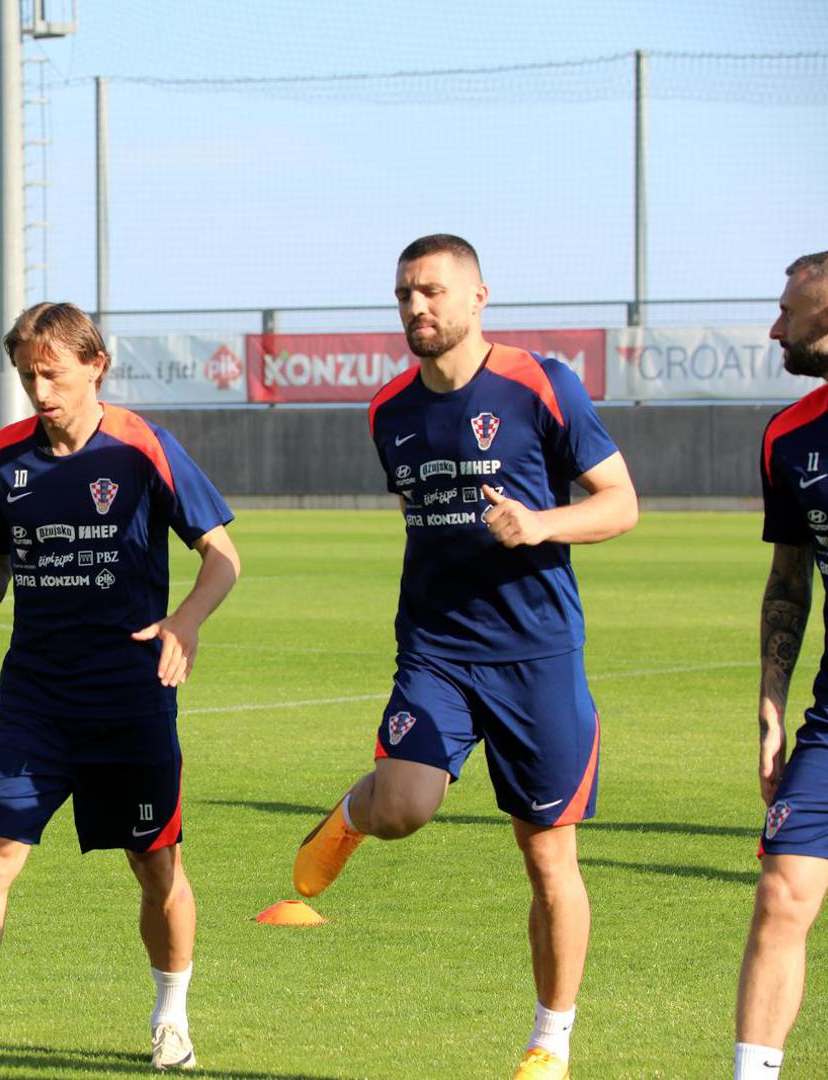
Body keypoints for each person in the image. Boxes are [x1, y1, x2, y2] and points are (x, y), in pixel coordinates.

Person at [291, 235, 637, 1080]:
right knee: (403, 807)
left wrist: (540, 525)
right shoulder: (388, 412)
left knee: (548, 856)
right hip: (437, 651)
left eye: (434, 291)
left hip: (538, 656)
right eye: (405, 293)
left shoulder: (541, 384)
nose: (417, 307)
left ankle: (548, 1042)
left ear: (479, 297)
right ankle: (353, 813)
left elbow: (621, 502)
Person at [0, 302, 240, 1077]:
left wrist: (187, 621)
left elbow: (222, 555)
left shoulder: (144, 447)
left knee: (155, 865)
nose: (40, 391)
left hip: (130, 701)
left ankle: (171, 1017)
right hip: (34, 703)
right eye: (27, 375)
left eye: (54, 373)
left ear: (95, 364)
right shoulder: (0, 459)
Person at [734, 247, 828, 1080]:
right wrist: (772, 705)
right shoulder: (789, 436)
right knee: (780, 895)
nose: (776, 326)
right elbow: (787, 586)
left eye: (787, 313)